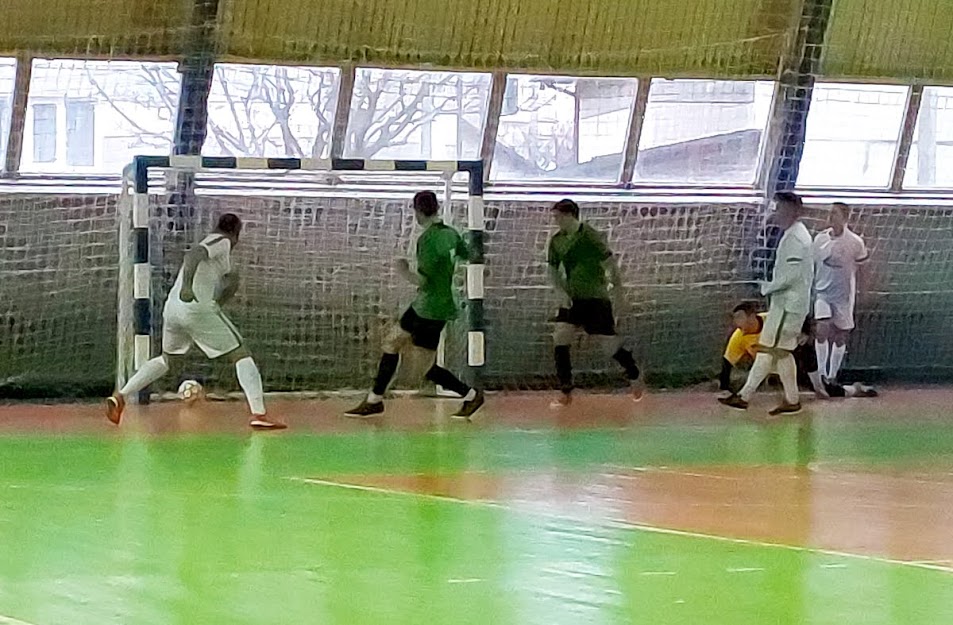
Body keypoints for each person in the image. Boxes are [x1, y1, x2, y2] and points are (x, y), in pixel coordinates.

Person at [106, 213, 286, 430]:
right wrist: (188, 286)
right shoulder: (221, 241)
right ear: (236, 233)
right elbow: (193, 255)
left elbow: (233, 281)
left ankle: (121, 395)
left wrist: (219, 300)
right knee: (241, 353)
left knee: (167, 360)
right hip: (194, 305)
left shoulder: (223, 255)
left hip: (173, 309)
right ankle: (260, 414)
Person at [345, 191, 484, 420]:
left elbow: (424, 280)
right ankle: (375, 399)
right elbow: (467, 255)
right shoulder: (450, 234)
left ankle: (469, 394)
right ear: (437, 208)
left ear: (418, 212)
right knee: (405, 353)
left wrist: (403, 271)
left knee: (408, 355)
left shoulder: (427, 240)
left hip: (428, 308)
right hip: (434, 306)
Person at [720, 192, 813, 416]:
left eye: (780, 208)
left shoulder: (797, 238)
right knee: (776, 350)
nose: (777, 213)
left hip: (789, 306)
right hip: (785, 304)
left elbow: (791, 275)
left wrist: (767, 287)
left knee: (777, 350)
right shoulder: (792, 235)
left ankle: (748, 396)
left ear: (793, 210)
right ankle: (776, 398)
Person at [547, 199, 642, 407]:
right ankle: (565, 390)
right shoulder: (556, 241)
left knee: (609, 346)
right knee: (560, 337)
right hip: (572, 299)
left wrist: (618, 293)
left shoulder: (589, 235)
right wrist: (559, 291)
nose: (555, 221)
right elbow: (553, 268)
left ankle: (633, 372)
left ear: (570, 215)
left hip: (596, 298)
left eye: (558, 217)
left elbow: (609, 263)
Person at [720, 303, 876, 399]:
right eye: (735, 319)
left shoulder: (773, 320)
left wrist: (805, 333)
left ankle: (854, 389)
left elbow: (803, 318)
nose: (737, 323)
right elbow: (727, 363)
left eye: (740, 318)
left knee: (824, 392)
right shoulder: (738, 337)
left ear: (752, 316)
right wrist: (724, 388)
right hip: (771, 370)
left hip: (795, 362)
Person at [813, 202, 869, 384]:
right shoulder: (820, 239)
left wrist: (865, 289)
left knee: (840, 334)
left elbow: (862, 267)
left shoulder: (855, 242)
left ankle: (832, 375)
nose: (830, 216)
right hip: (822, 292)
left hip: (844, 295)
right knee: (822, 328)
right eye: (829, 213)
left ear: (845, 218)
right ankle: (821, 373)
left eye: (835, 213)